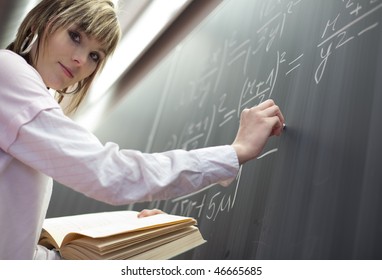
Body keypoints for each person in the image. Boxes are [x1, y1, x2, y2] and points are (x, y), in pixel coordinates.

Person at [0, 0, 285, 260]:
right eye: (75, 36)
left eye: (95, 56)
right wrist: (234, 153)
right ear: (45, 20)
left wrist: (123, 241)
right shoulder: (8, 72)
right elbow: (109, 174)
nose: (81, 61)